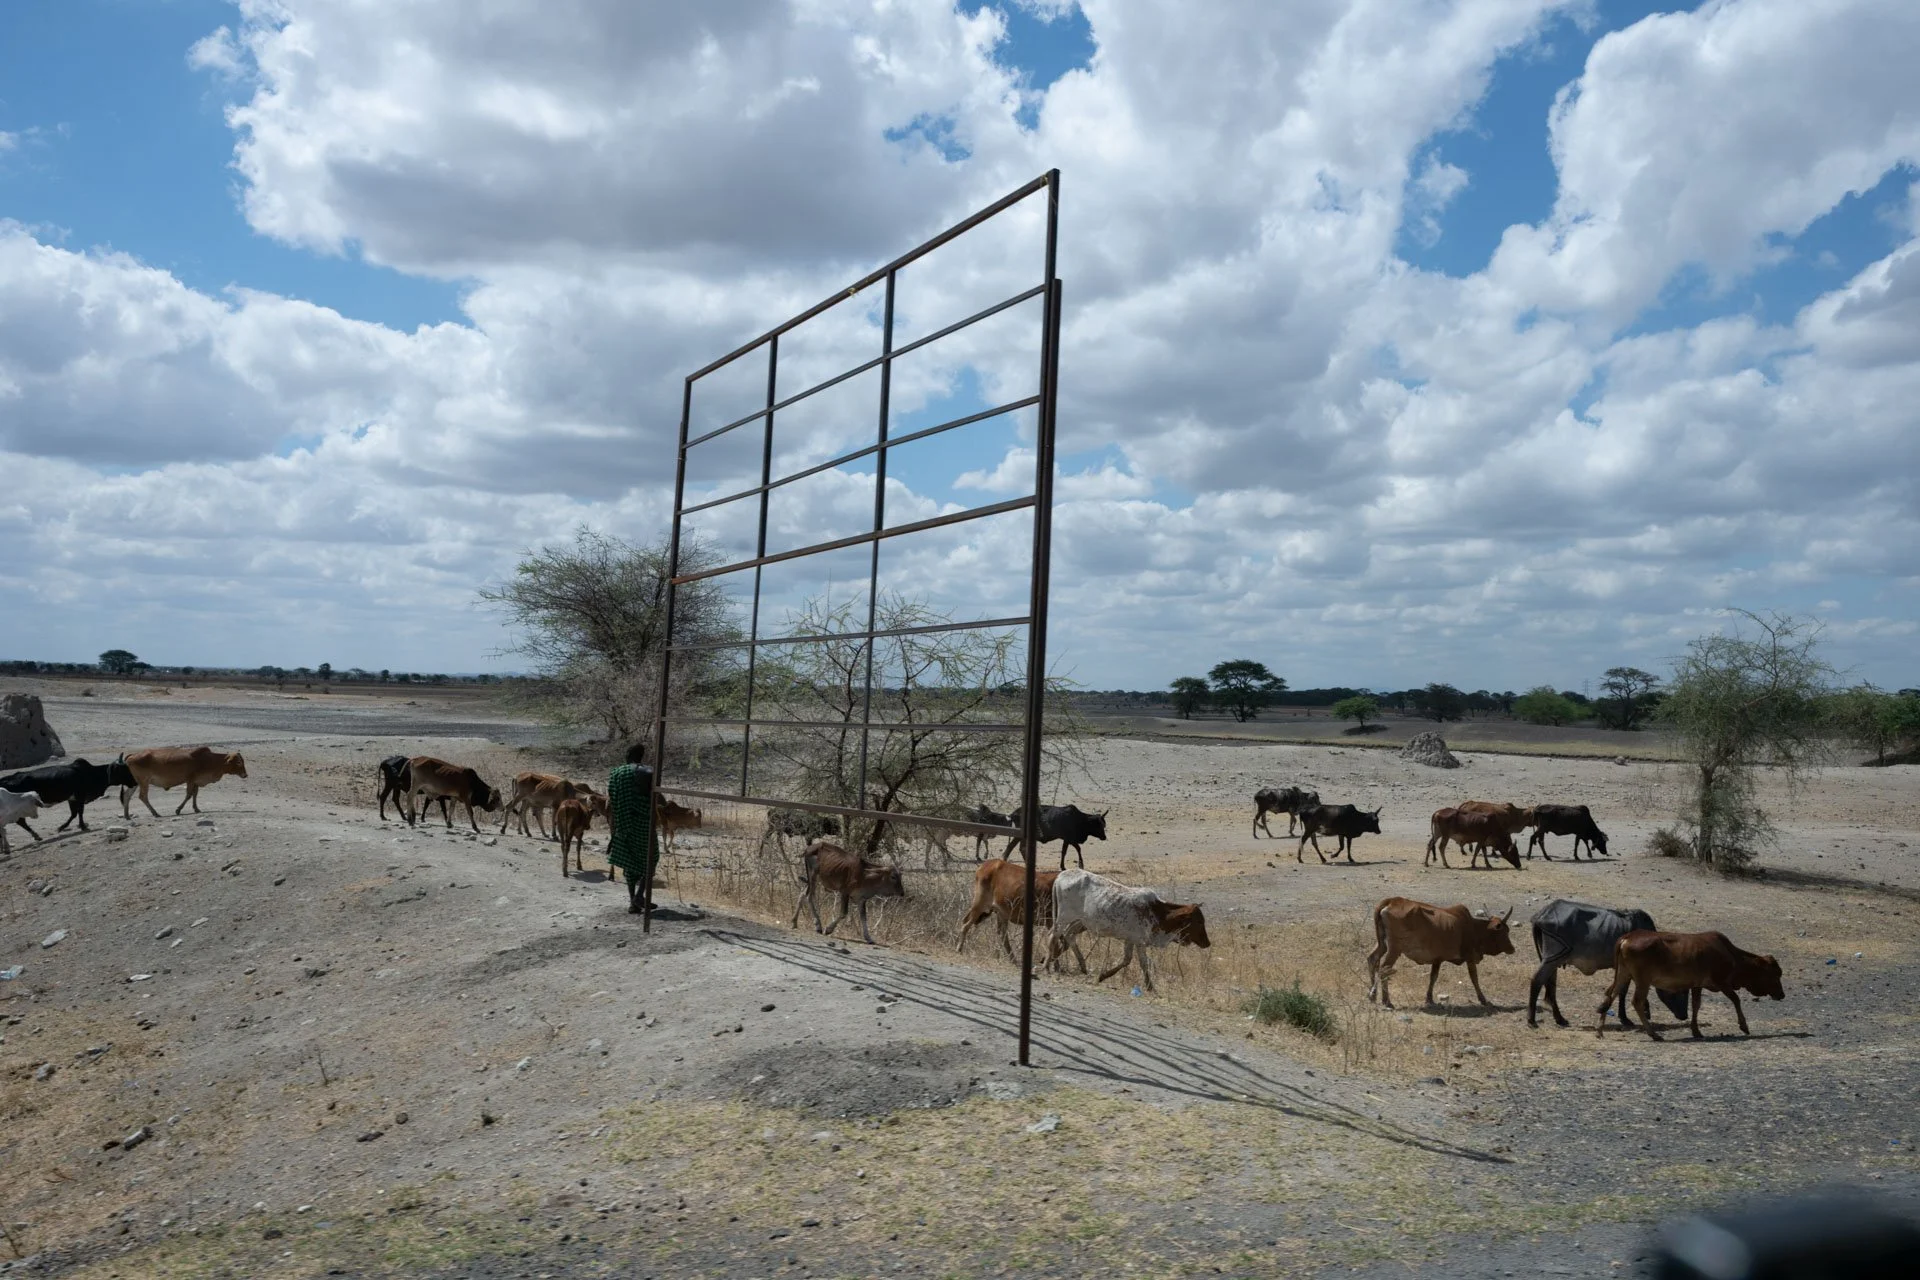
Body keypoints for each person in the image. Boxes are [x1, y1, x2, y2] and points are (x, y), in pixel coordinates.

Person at [605, 742, 661, 915]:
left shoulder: (616, 774)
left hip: (622, 823)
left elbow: (611, 800)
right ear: (642, 756)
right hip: (642, 823)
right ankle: (639, 896)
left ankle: (633, 903)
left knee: (629, 864)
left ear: (627, 756)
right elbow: (655, 793)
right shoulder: (646, 771)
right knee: (651, 858)